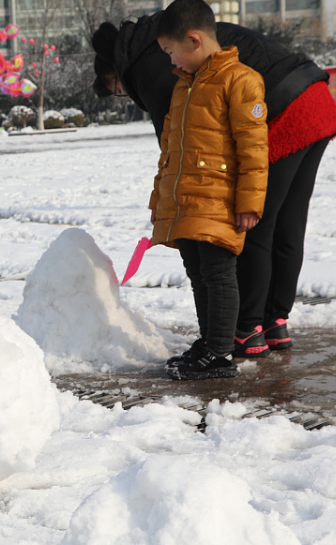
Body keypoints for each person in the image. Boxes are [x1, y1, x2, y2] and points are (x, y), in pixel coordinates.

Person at [92, 10, 336, 358]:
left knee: (255, 224)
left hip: (283, 109)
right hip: (315, 98)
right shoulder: (160, 41)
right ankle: (273, 322)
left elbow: (181, 145)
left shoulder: (151, 63)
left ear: (115, 72)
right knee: (288, 223)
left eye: (116, 90)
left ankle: (246, 328)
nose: (125, 95)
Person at [147, 0, 268, 380]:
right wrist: (160, 201)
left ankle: (220, 352)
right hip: (187, 201)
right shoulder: (184, 87)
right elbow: (170, 152)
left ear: (194, 41)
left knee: (218, 274)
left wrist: (249, 202)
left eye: (171, 52)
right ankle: (210, 341)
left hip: (219, 201)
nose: (171, 62)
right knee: (198, 272)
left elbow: (254, 148)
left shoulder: (240, 80)